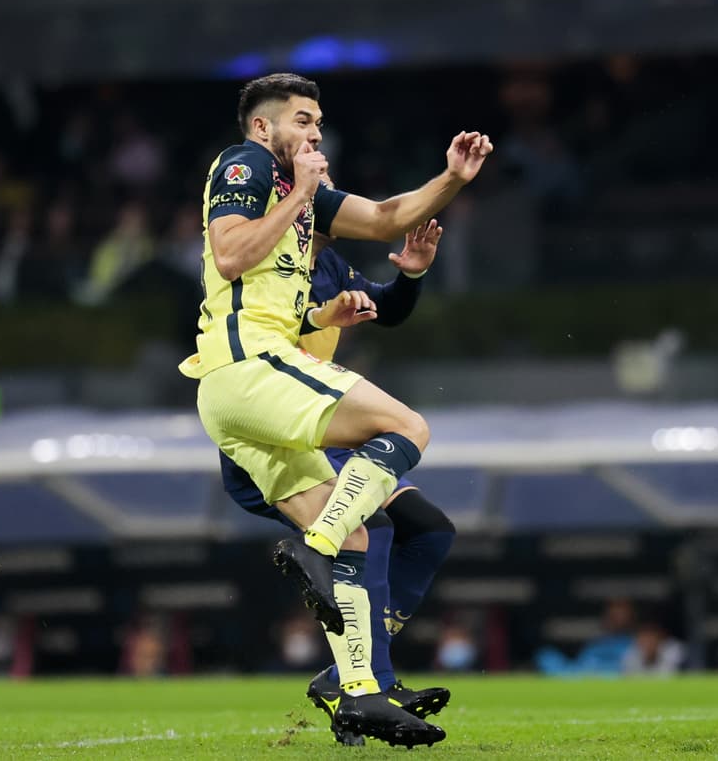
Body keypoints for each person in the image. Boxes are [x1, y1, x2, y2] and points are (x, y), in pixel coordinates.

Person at [179, 72, 491, 747]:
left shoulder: (304, 198)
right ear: (264, 128)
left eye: (320, 120)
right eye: (301, 118)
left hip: (248, 397)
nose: (316, 130)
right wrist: (296, 198)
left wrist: (452, 177)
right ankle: (315, 551)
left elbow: (385, 219)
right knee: (408, 428)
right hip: (249, 366)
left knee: (357, 535)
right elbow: (230, 255)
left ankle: (358, 694)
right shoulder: (248, 164)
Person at [219, 220, 455, 744]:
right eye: (315, 179)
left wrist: (411, 277)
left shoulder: (327, 263)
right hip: (276, 424)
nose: (329, 192)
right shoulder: (265, 256)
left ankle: (352, 679)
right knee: (372, 529)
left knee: (428, 529)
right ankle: (366, 684)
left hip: (316, 422)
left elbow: (385, 308)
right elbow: (258, 331)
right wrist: (322, 316)